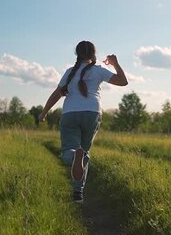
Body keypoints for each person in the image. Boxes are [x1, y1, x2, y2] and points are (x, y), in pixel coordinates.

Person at [39, 40, 128, 203]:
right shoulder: (99, 70)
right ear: (93, 54)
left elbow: (56, 94)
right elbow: (123, 81)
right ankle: (78, 193)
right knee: (83, 154)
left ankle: (75, 157)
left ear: (77, 54)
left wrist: (44, 113)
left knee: (69, 153)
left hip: (70, 114)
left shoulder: (69, 72)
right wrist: (115, 63)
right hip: (92, 113)